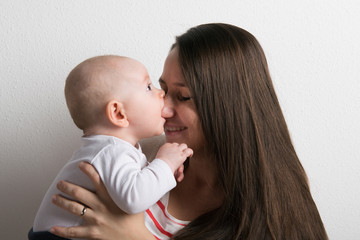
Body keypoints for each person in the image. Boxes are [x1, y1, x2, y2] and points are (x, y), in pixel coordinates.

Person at [48, 23, 328, 239]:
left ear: (228, 106)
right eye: (162, 90)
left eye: (182, 97)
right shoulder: (139, 160)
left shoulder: (276, 211)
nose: (163, 109)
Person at [29, 55, 193, 239]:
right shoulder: (111, 151)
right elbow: (134, 199)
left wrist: (163, 171)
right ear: (118, 113)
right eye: (149, 87)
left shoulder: (114, 148)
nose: (161, 93)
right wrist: (165, 164)